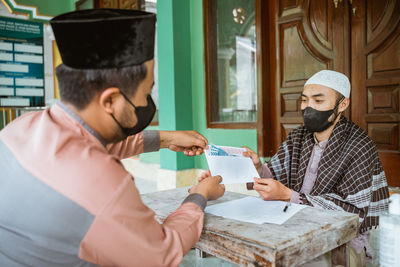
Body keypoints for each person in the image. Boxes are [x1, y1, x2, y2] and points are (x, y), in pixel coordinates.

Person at [0, 9, 224, 266]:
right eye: (146, 91)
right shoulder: (104, 184)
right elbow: (161, 254)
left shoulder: (19, 128)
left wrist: (165, 139)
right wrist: (199, 196)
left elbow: (86, 145)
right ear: (111, 100)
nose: (146, 102)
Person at [201, 70, 389, 267]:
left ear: (342, 104)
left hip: (342, 242)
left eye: (318, 101)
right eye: (304, 100)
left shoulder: (359, 145)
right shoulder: (298, 136)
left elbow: (353, 213)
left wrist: (288, 196)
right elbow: (275, 176)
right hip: (293, 226)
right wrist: (256, 168)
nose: (309, 107)